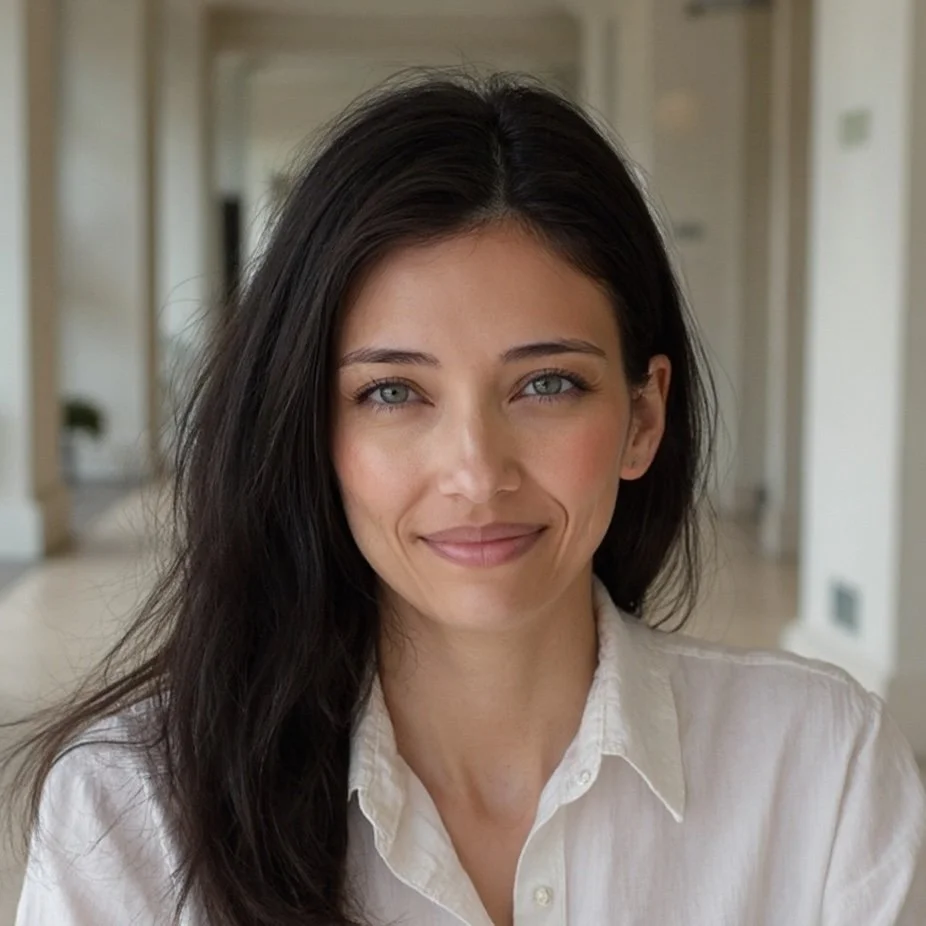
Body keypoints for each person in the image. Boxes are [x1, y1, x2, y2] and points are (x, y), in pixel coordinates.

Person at [5, 72, 925, 926]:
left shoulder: (824, 769)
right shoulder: (127, 811)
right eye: (394, 393)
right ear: (311, 435)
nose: (478, 474)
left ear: (644, 420)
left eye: (548, 384)